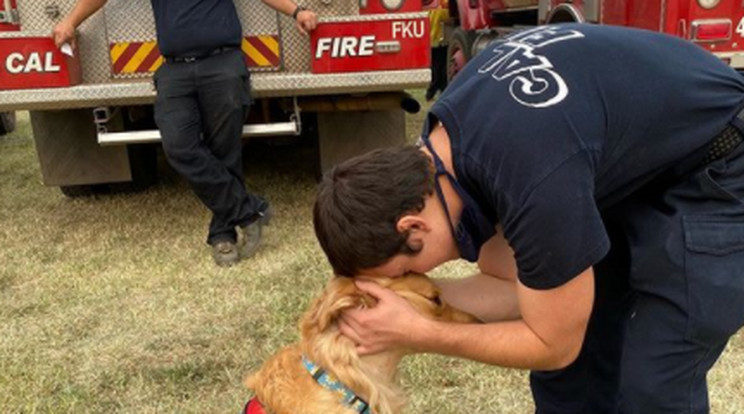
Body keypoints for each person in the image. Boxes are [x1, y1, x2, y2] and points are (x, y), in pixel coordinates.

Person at [313, 23, 744, 413]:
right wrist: (406, 306)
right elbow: (511, 287)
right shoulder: (446, 152)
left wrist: (423, 334)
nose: (416, 275)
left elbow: (553, 342)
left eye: (406, 270)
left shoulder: (531, 174)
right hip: (638, 160)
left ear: (412, 227)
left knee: (652, 384)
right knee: (570, 382)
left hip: (723, 162)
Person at [53, 0, 317, 267]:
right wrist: (71, 21)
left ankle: (222, 235)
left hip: (223, 64)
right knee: (178, 147)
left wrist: (296, 11)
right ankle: (249, 210)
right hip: (174, 70)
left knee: (224, 152)